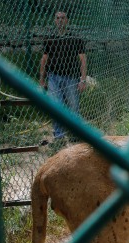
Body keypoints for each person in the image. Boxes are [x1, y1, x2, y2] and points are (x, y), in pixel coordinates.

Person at [39, 10, 87, 143]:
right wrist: (42, 80)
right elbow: (44, 59)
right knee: (56, 106)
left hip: (71, 76)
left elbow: (83, 59)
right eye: (57, 18)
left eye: (63, 18)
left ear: (67, 20)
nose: (60, 20)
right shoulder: (50, 38)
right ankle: (59, 136)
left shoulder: (75, 38)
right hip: (53, 77)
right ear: (55, 21)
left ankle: (75, 135)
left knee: (73, 106)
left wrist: (83, 79)